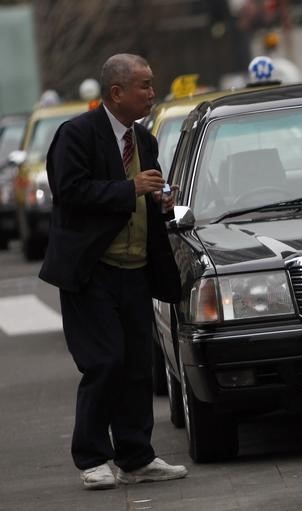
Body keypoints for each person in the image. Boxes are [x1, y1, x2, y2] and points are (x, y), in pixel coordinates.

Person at [39, 54, 187, 490]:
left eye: (152, 83)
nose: (151, 93)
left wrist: (159, 203)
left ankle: (136, 456)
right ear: (116, 92)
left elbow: (144, 196)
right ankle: (92, 457)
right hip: (92, 270)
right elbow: (69, 191)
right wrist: (130, 189)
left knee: (139, 366)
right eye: (143, 85)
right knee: (104, 362)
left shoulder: (146, 140)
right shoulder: (76, 135)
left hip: (136, 269)